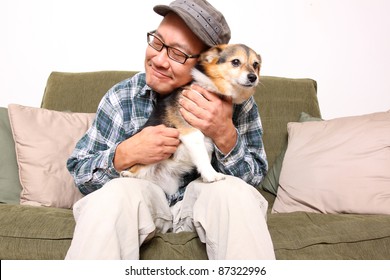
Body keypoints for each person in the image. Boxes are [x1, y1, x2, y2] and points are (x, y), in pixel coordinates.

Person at [65, 0, 275, 260]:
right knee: (113, 196)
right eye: (156, 42)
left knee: (236, 195)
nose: (159, 60)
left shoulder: (240, 101)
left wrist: (224, 133)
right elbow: (80, 173)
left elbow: (253, 182)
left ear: (206, 62)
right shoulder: (123, 96)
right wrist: (126, 153)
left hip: (204, 202)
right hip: (145, 197)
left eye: (177, 53)